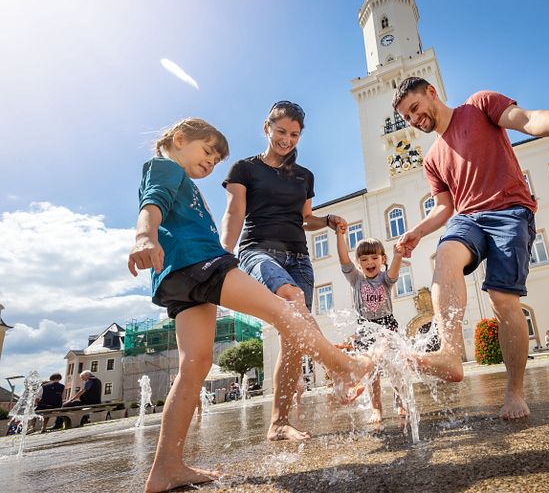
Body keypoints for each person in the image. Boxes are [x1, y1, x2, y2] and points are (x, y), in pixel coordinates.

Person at [128, 118, 371, 493]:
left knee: (195, 365)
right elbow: (151, 206)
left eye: (216, 158)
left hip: (179, 280)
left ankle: (166, 467)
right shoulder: (164, 168)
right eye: (207, 152)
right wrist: (144, 236)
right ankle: (342, 367)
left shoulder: (184, 180)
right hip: (201, 265)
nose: (211, 163)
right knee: (283, 309)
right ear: (179, 140)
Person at [393, 77, 549, 420]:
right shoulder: (432, 158)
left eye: (415, 109)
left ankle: (514, 392)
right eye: (407, 117)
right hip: (467, 219)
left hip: (510, 211)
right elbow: (444, 207)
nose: (414, 119)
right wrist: (416, 232)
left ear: (432, 93)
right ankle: (449, 354)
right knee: (446, 253)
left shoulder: (479, 105)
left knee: (503, 301)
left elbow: (526, 120)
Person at [221, 101, 346, 442]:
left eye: (294, 134)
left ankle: (278, 423)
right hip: (257, 251)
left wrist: (328, 220)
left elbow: (306, 218)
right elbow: (234, 213)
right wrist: (223, 253)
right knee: (291, 297)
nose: (287, 140)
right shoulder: (244, 169)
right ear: (267, 128)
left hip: (299, 258)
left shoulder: (305, 176)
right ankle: (339, 367)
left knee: (292, 341)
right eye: (280, 132)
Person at [335, 225, 407, 423]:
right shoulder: (356, 279)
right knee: (371, 373)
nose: (369, 262)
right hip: (365, 328)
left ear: (382, 259)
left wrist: (398, 256)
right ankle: (376, 408)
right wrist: (340, 235)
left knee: (394, 368)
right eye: (364, 259)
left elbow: (393, 272)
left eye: (374, 258)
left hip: (386, 325)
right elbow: (343, 260)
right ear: (358, 263)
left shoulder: (385, 279)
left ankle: (400, 402)